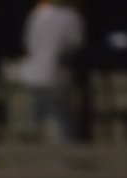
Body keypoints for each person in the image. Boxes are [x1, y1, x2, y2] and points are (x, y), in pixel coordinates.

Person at [18, 0, 84, 142]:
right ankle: (71, 147)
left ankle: (33, 149)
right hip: (56, 72)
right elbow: (75, 44)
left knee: (37, 114)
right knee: (62, 115)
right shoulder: (70, 16)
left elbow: (27, 43)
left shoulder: (37, 14)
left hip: (35, 73)